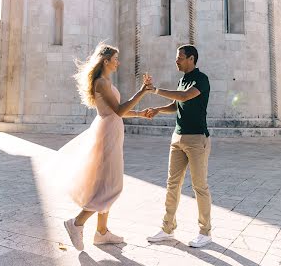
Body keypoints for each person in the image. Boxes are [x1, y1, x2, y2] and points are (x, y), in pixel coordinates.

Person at [62, 42, 151, 251]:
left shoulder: (106, 81)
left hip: (111, 132)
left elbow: (117, 111)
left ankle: (102, 232)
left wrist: (139, 114)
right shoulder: (101, 83)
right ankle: (76, 223)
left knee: (106, 183)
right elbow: (118, 110)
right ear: (106, 61)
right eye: (115, 59)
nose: (118, 63)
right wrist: (142, 92)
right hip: (107, 135)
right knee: (110, 187)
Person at [145, 44, 212, 248]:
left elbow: (184, 96)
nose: (177, 61)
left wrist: (155, 90)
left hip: (196, 138)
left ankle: (205, 232)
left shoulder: (201, 79)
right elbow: (177, 105)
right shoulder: (182, 79)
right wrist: (157, 110)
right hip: (178, 138)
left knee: (199, 186)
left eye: (180, 58)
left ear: (191, 59)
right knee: (172, 184)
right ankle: (168, 228)